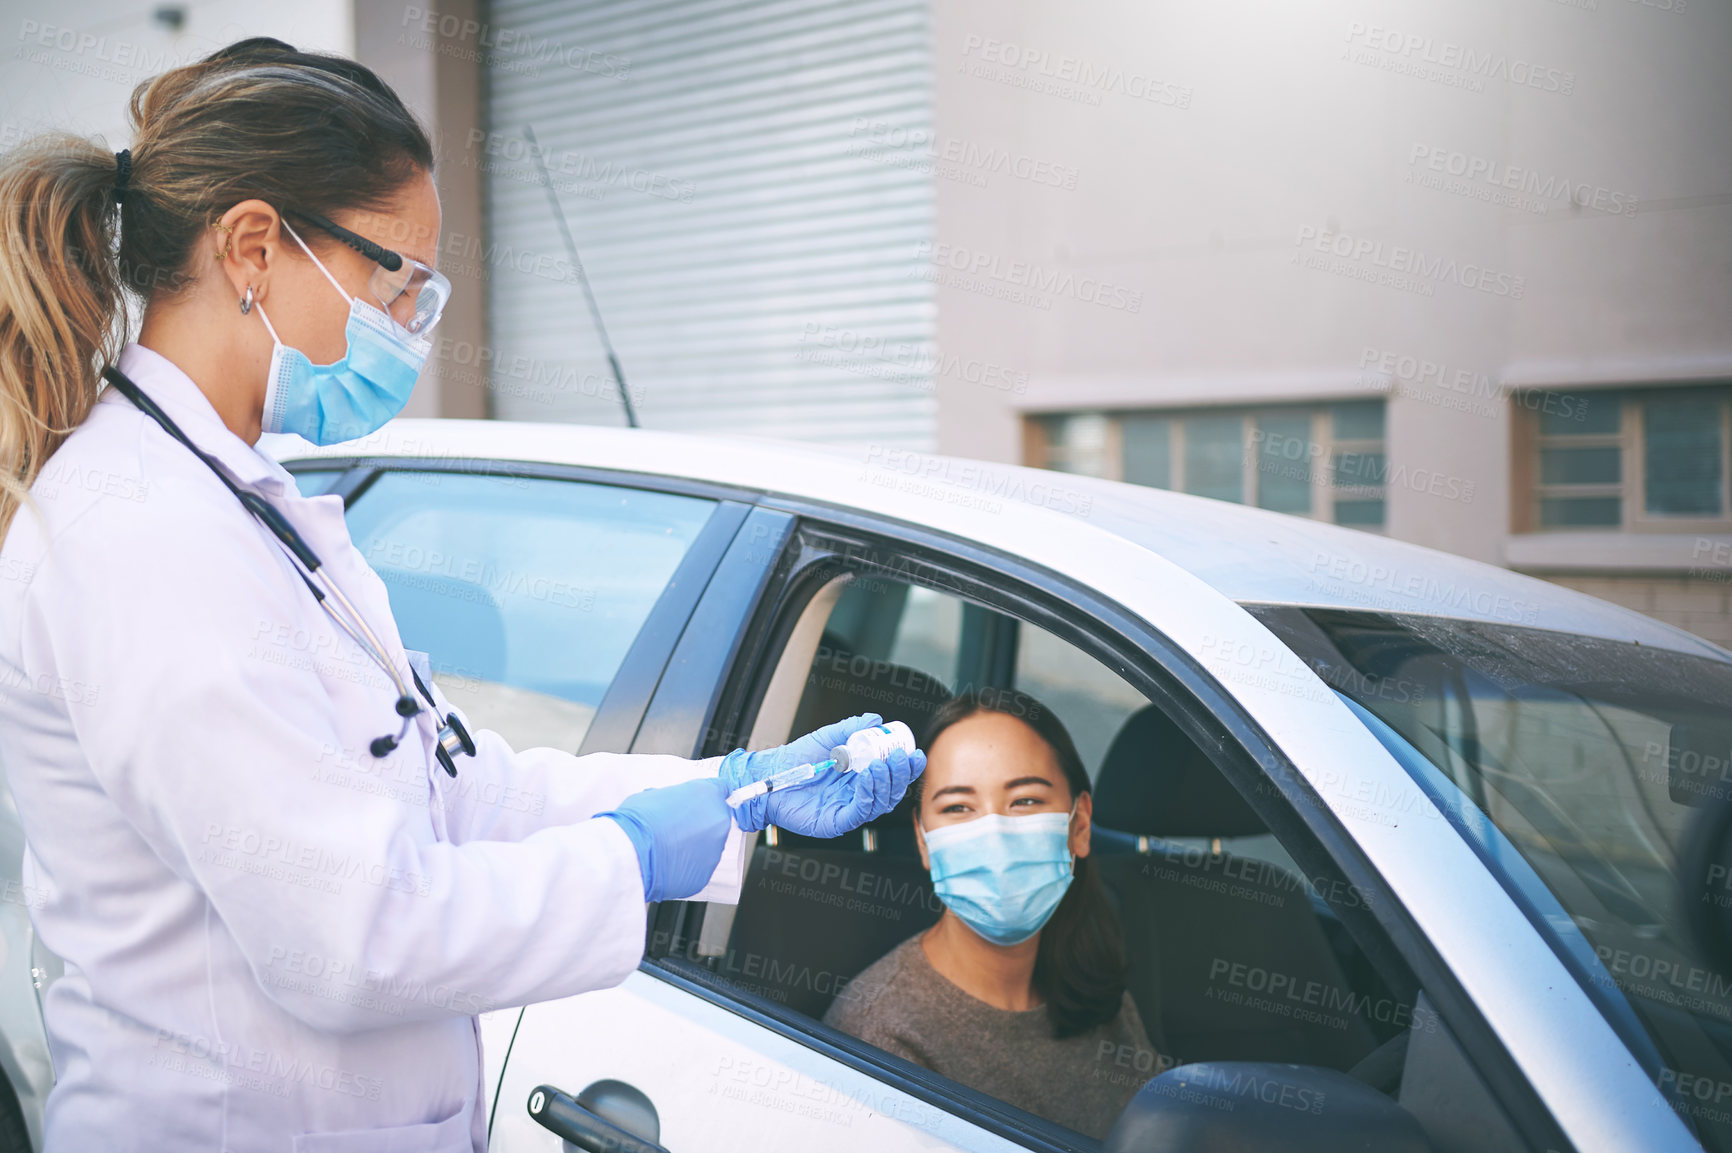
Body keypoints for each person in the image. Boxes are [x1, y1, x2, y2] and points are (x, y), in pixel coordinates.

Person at [0, 38, 923, 1152]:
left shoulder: (234, 500)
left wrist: (726, 790)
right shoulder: (140, 533)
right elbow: (352, 937)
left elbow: (447, 787)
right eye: (399, 279)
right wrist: (630, 853)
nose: (410, 328)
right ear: (253, 245)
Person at [823, 688, 1154, 1139]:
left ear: (1079, 825)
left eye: (1026, 801)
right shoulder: (883, 1035)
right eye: (958, 807)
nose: (995, 834)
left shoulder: (1096, 983)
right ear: (923, 840)